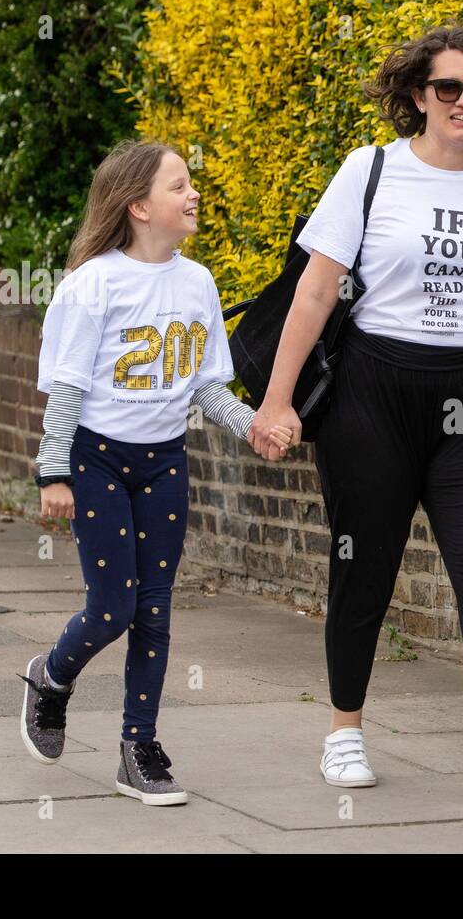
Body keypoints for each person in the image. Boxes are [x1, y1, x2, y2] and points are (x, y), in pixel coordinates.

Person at [249, 23, 463, 809]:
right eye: (448, 87)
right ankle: (345, 731)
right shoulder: (370, 170)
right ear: (418, 95)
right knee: (365, 567)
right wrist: (278, 398)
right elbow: (316, 292)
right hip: (373, 393)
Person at [20, 139, 293, 806]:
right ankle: (51, 677)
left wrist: (249, 424)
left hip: (166, 461)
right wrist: (53, 475)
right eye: (179, 186)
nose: (193, 194)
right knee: (112, 607)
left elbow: (204, 386)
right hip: (97, 459)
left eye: (189, 183)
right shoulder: (95, 284)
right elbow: (68, 389)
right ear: (139, 205)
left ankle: (137, 748)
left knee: (155, 610)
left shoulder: (196, 282)